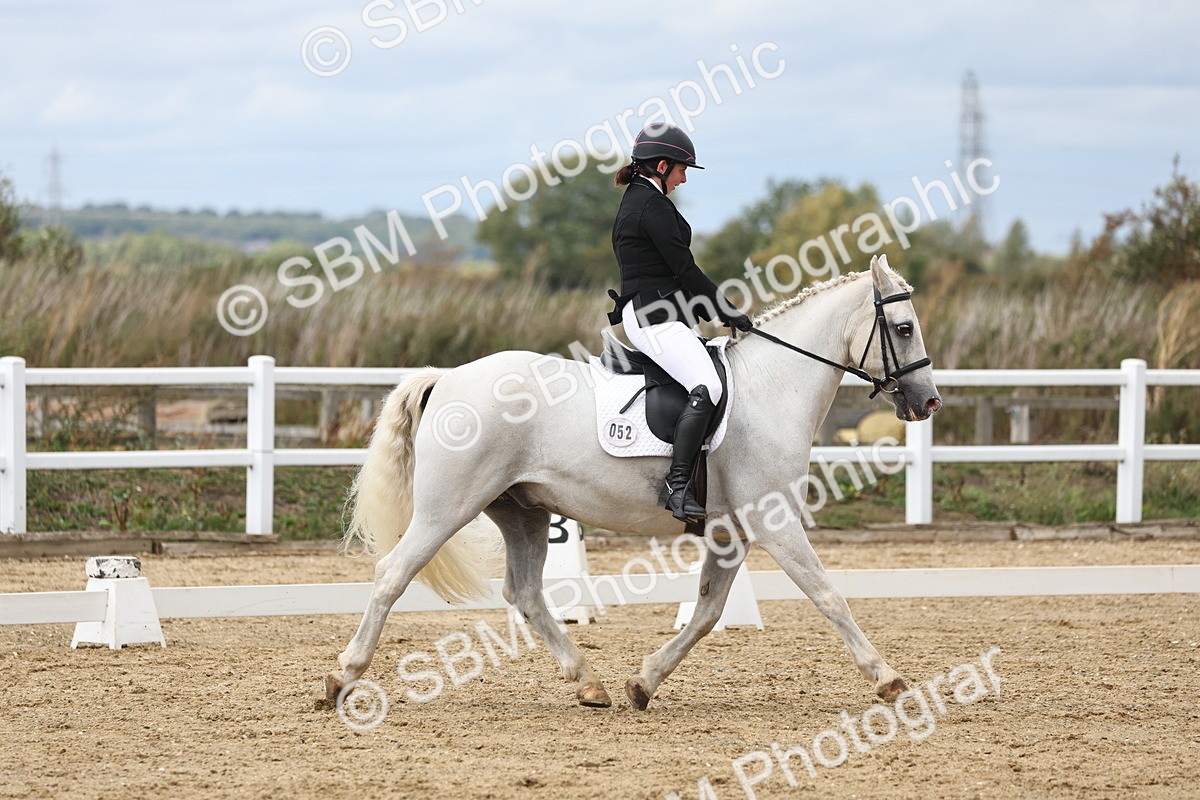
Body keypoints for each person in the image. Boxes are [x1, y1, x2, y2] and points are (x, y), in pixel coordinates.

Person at [607, 122, 753, 522]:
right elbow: (685, 268)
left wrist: (699, 307)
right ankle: (677, 485)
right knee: (707, 387)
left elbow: (664, 273)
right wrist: (725, 309)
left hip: (662, 311)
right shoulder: (648, 205)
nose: (685, 177)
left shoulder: (645, 199)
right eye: (682, 169)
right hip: (652, 318)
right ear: (662, 165)